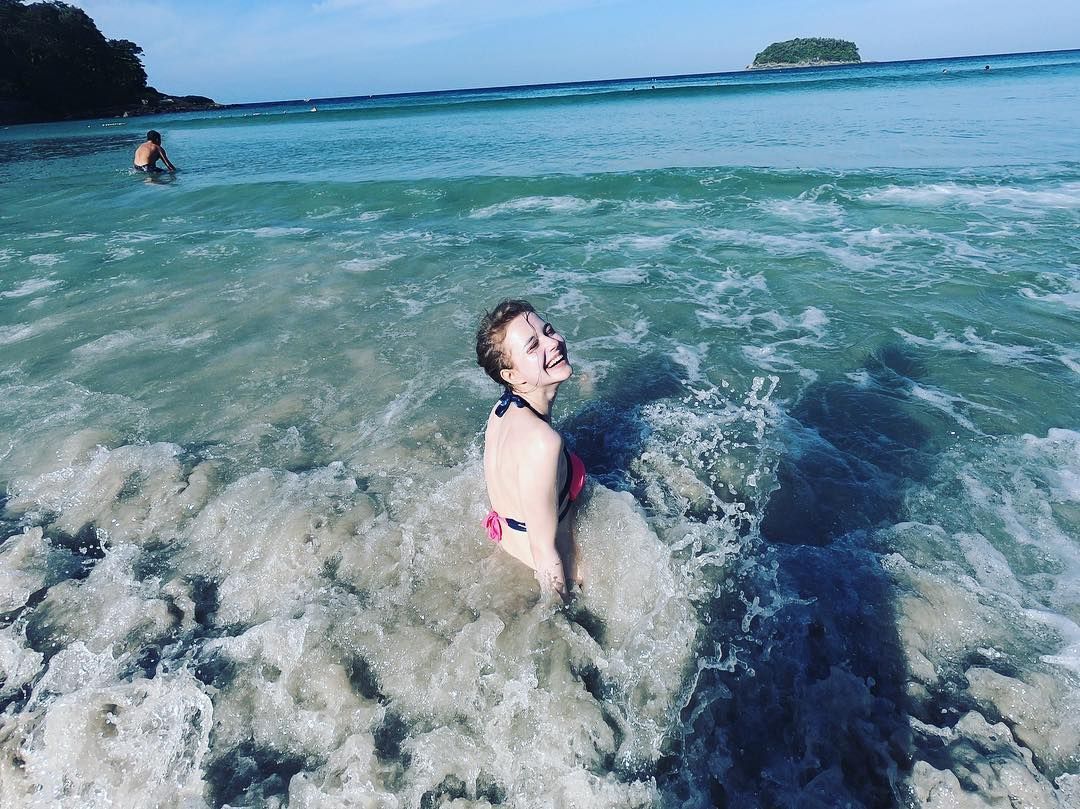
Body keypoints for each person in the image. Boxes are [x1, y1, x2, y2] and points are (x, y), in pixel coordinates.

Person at [476, 299, 587, 600]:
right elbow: (544, 551)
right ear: (511, 375)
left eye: (548, 331)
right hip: (554, 571)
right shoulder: (543, 442)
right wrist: (562, 613)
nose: (553, 343)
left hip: (508, 551)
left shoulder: (502, 409)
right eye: (533, 346)